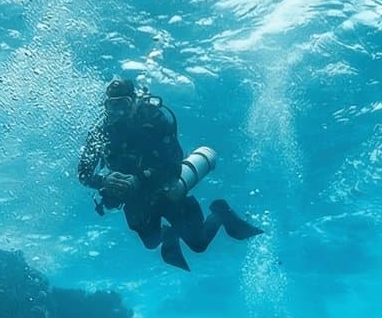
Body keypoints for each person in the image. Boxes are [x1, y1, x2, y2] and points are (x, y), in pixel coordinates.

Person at [76, 77, 262, 270]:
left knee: (198, 244)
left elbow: (174, 164)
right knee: (151, 242)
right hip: (134, 198)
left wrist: (139, 179)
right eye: (112, 106)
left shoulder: (154, 119)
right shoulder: (101, 131)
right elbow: (83, 174)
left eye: (123, 104)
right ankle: (169, 234)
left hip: (165, 190)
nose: (118, 112)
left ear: (134, 102)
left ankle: (220, 212)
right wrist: (104, 180)